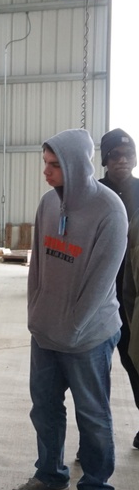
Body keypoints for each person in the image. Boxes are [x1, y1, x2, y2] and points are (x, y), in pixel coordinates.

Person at [12, 129, 126, 490]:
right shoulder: (48, 204)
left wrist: (72, 328)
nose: (46, 171)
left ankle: (96, 487)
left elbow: (101, 281)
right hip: (45, 331)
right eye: (45, 163)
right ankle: (50, 474)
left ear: (76, 165)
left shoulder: (109, 210)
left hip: (89, 336)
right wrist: (36, 313)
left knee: (92, 414)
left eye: (54, 165)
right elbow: (38, 266)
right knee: (44, 407)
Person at [97, 128, 139, 448]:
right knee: (95, 371)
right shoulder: (94, 195)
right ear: (105, 160)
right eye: (114, 155)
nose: (122, 160)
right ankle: (97, 439)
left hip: (134, 297)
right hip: (101, 295)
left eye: (127, 155)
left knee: (134, 359)